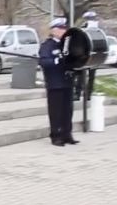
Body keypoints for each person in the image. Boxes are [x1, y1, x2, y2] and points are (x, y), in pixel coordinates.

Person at [38, 18, 79, 146]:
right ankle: (56, 136)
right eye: (61, 29)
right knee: (56, 111)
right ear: (54, 30)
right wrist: (57, 61)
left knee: (68, 110)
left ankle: (67, 134)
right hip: (55, 83)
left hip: (67, 81)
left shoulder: (66, 44)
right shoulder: (47, 45)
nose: (63, 31)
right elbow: (44, 62)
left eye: (65, 28)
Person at [73, 11, 100, 101]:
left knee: (82, 74)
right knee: (89, 75)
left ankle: (79, 93)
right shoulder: (98, 29)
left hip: (87, 54)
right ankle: (87, 94)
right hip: (93, 55)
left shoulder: (85, 28)